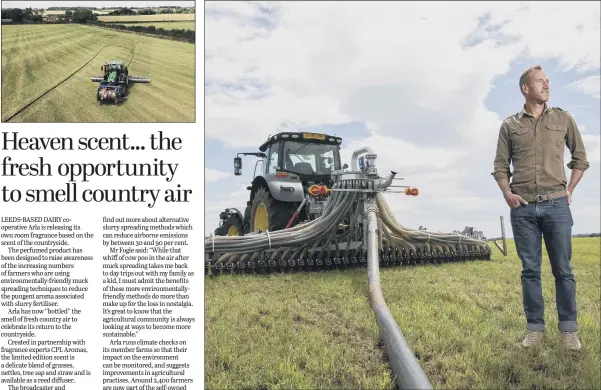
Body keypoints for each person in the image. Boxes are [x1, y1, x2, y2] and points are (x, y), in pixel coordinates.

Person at [492, 65, 589, 350]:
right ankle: (535, 329)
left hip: (557, 205)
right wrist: (507, 193)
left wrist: (569, 189)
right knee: (530, 271)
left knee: (564, 269)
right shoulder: (509, 125)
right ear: (525, 88)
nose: (546, 85)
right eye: (540, 82)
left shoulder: (563, 118)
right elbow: (500, 167)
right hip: (522, 209)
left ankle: (569, 330)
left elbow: (580, 159)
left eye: (548, 81)